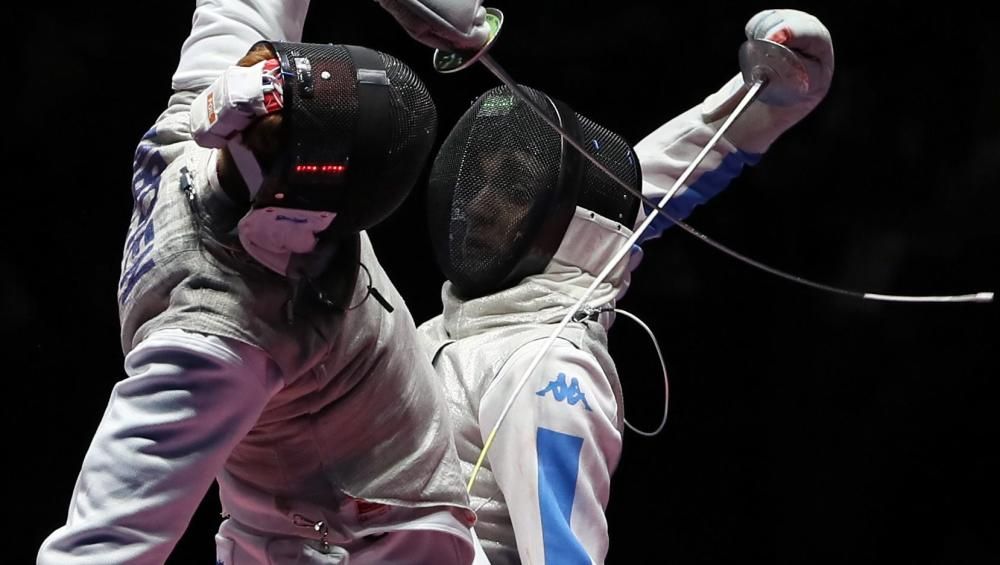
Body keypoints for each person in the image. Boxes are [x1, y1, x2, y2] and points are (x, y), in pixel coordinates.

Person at [37, 0, 495, 563]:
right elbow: (101, 547)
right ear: (306, 213)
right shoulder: (225, 339)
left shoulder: (192, 124)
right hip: (361, 547)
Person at [416, 8, 834, 564]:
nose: (480, 203)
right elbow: (646, 180)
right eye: (482, 180)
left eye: (514, 186)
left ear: (569, 230)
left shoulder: (545, 368)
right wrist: (763, 100)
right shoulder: (450, 329)